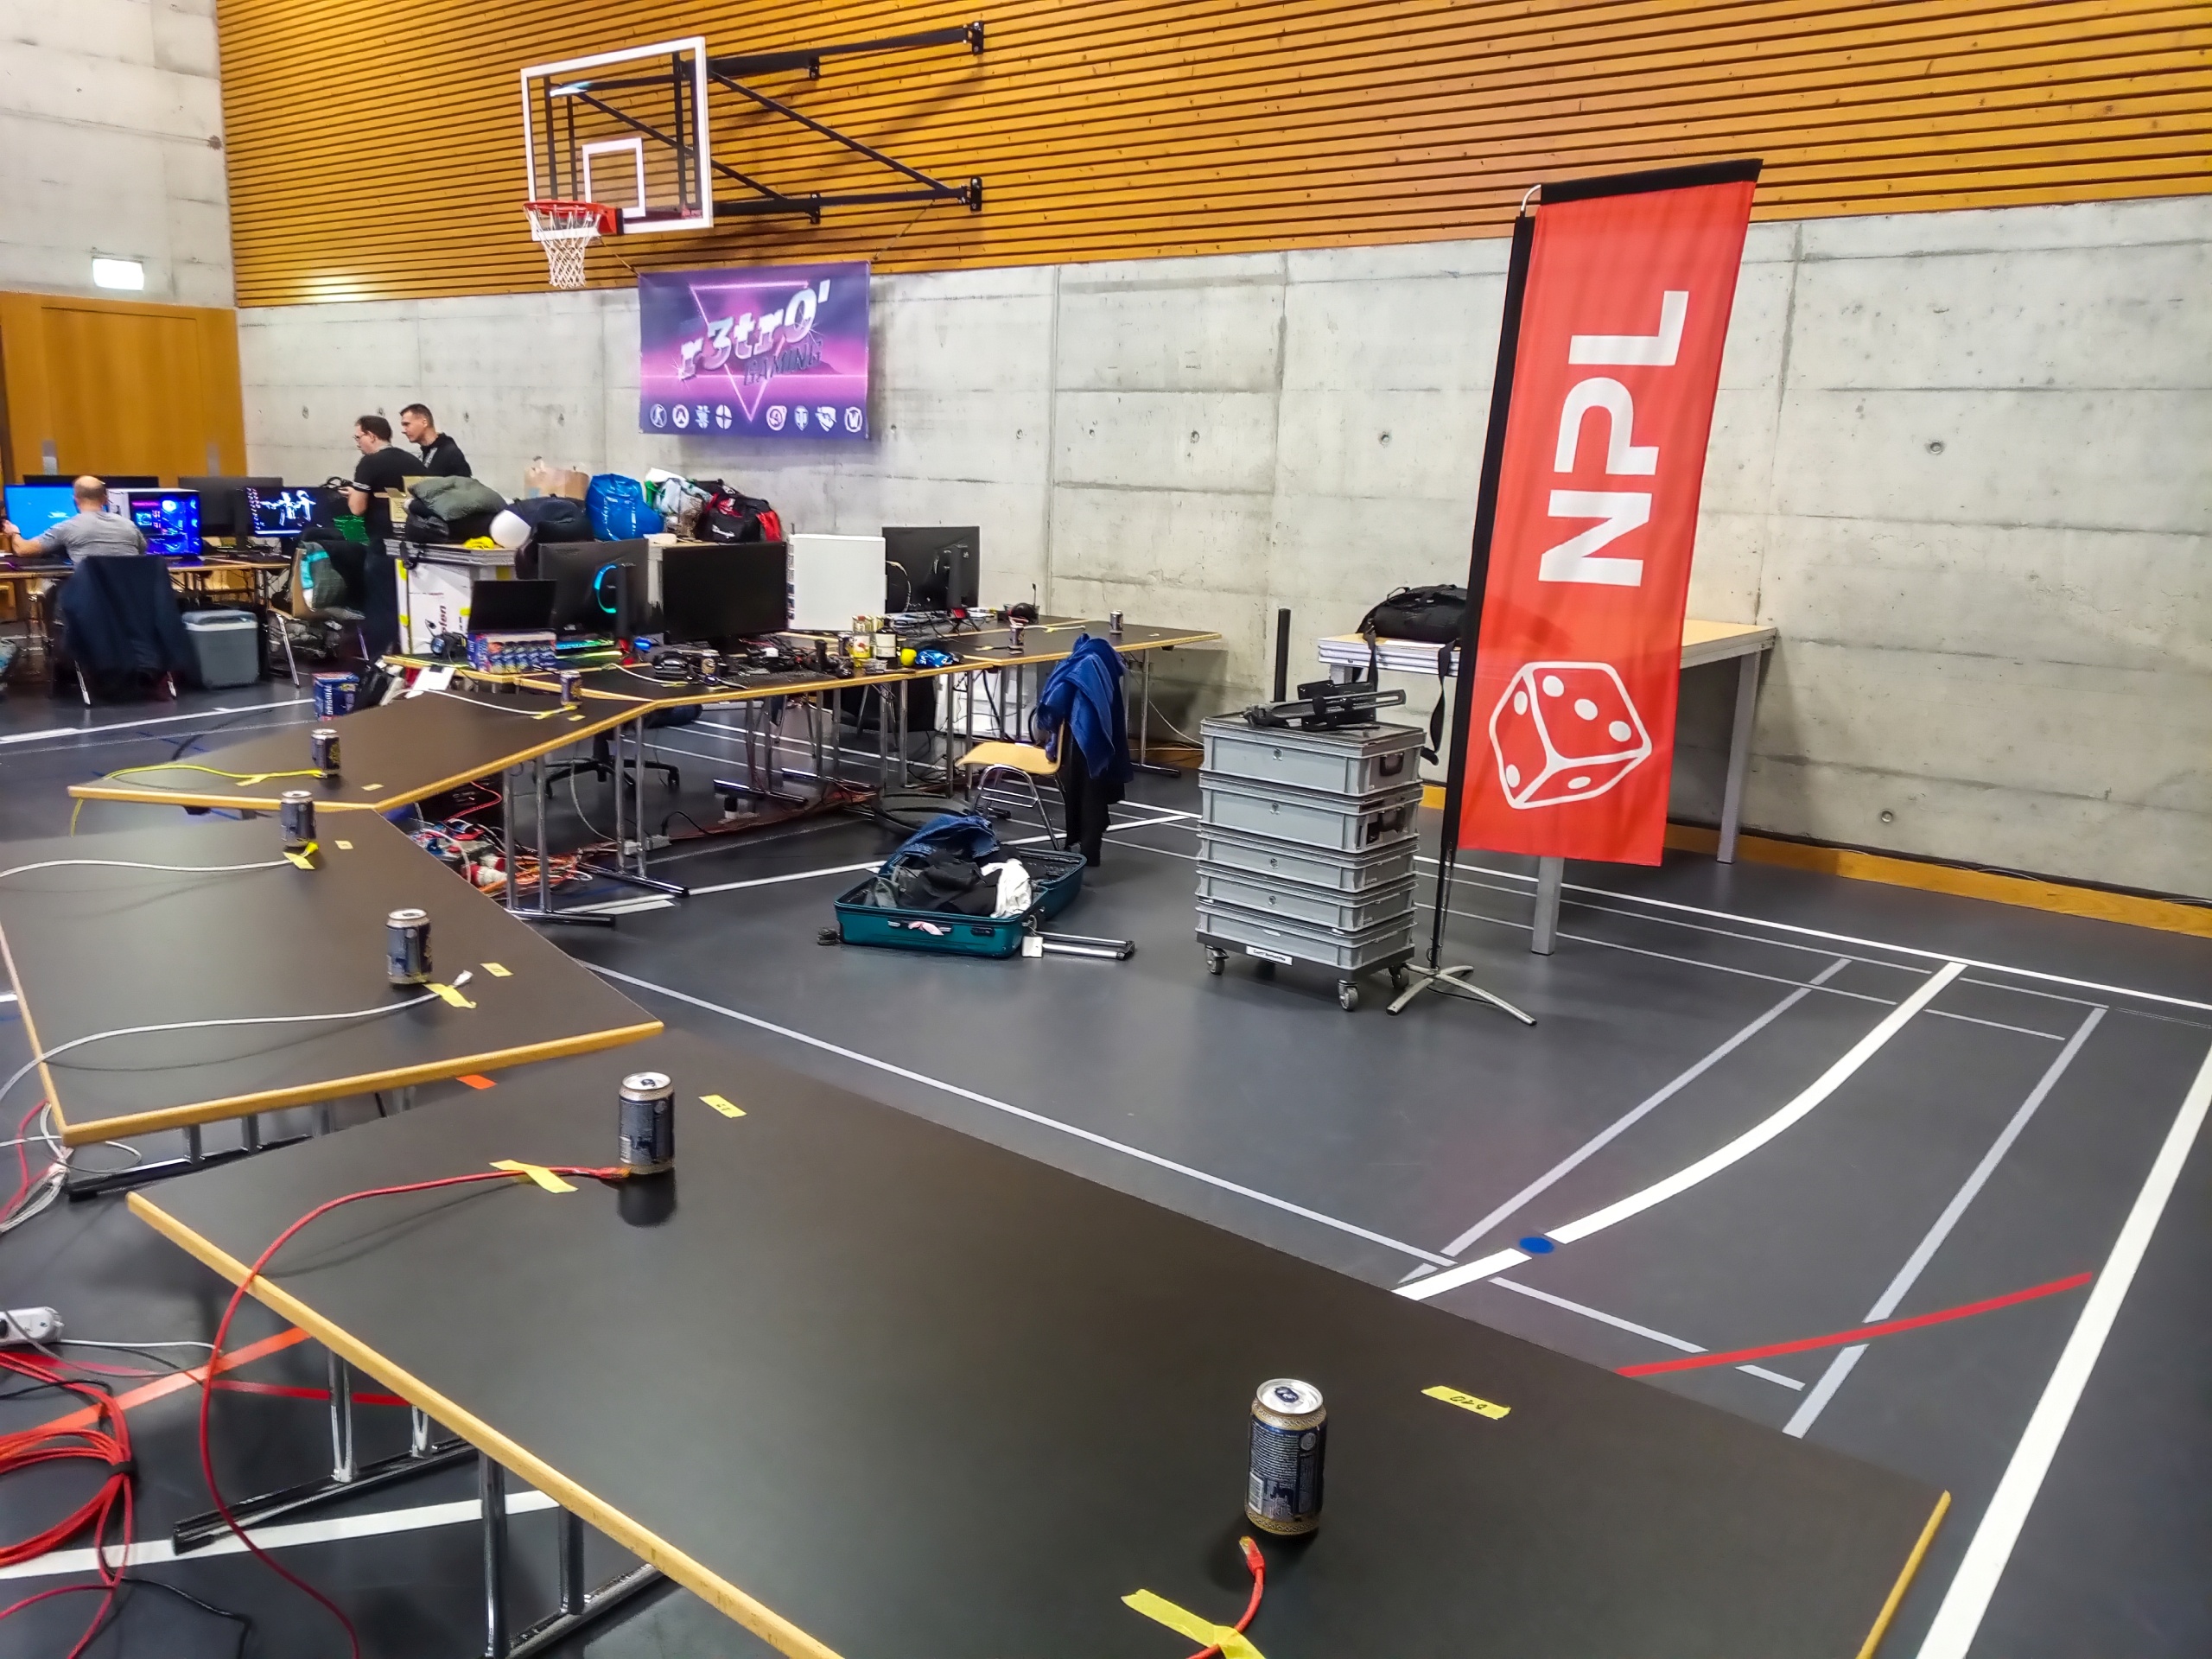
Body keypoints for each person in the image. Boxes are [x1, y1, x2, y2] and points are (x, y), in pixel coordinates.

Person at [343, 415, 414, 655]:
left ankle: (379, 661)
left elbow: (357, 508)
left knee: (381, 606)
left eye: (358, 437)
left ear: (371, 436)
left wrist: (353, 495)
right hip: (412, 545)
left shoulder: (369, 463)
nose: (358, 443)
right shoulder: (412, 460)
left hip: (383, 544)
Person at [0, 476, 145, 563]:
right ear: (105, 499)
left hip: (91, 601)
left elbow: (23, 550)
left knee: (51, 588)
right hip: (131, 600)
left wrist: (14, 533)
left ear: (75, 499)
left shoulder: (67, 527)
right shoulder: (129, 526)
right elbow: (141, 550)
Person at [399, 404, 469, 476]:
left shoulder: (449, 452)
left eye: (407, 424)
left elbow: (466, 481)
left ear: (424, 423)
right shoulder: (424, 453)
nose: (403, 431)